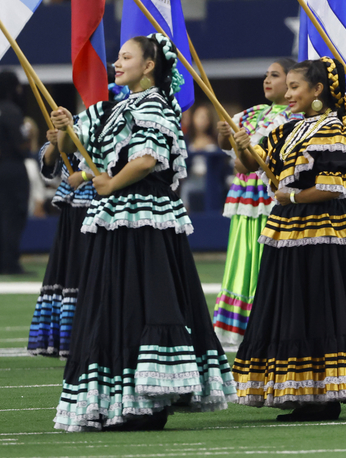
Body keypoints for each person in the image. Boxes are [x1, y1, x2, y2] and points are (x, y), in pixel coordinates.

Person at [50, 35, 234, 431]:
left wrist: (111, 184)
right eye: (117, 57)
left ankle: (149, 402)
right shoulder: (119, 107)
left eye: (126, 56)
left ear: (149, 65)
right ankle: (124, 402)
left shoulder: (153, 104)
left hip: (144, 216)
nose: (117, 63)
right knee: (115, 302)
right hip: (117, 216)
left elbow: (148, 160)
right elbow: (84, 162)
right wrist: (66, 132)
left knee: (140, 300)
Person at [230, 58, 346, 421]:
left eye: (295, 87)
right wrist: (240, 145)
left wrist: (295, 197)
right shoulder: (288, 130)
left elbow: (336, 186)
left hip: (325, 233)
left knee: (319, 304)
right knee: (292, 305)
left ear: (317, 91)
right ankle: (305, 392)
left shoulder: (335, 130)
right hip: (288, 230)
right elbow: (252, 165)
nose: (288, 94)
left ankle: (325, 396)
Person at [28, 83, 126, 357]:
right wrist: (56, 140)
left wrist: (84, 176)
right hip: (74, 209)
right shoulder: (77, 121)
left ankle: (99, 335)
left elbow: (117, 163)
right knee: (73, 271)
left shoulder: (121, 119)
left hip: (105, 205)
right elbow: (50, 165)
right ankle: (72, 339)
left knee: (98, 272)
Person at [211, 58, 296, 351]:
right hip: (247, 197)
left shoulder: (294, 117)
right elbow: (229, 147)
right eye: (265, 75)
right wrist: (224, 134)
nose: (267, 80)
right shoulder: (253, 113)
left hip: (272, 194)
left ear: (291, 81)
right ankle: (239, 326)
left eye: (275, 75)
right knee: (242, 255)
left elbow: (249, 159)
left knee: (264, 256)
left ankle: (267, 320)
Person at [0, 71, 32, 276]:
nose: (20, 90)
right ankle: (10, 263)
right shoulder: (12, 111)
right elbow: (21, 144)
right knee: (13, 216)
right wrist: (28, 135)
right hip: (12, 169)